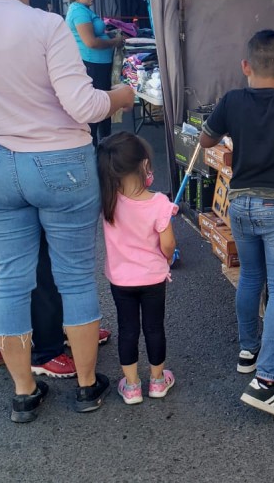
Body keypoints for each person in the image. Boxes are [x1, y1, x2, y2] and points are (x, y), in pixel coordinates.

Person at [0, 0, 135, 423]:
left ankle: (24, 391)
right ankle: (88, 387)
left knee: (11, 277)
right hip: (60, 165)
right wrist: (121, 96)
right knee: (73, 276)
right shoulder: (47, 25)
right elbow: (84, 105)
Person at [200, 30, 274, 421]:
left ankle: (249, 351)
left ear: (245, 66)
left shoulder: (232, 100)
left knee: (250, 276)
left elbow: (206, 137)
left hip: (241, 204)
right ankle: (267, 381)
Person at [97, 132, 177, 405]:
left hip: (121, 280)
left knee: (127, 329)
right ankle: (157, 381)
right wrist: (167, 258)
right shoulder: (159, 204)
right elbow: (168, 245)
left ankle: (131, 386)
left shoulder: (108, 201)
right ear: (144, 165)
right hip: (153, 277)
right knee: (154, 328)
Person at [65, 0, 124, 147]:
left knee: (104, 109)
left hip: (99, 65)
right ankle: (95, 152)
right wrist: (114, 42)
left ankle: (104, 149)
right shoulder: (78, 12)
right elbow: (91, 42)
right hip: (93, 66)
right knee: (98, 110)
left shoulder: (84, 10)